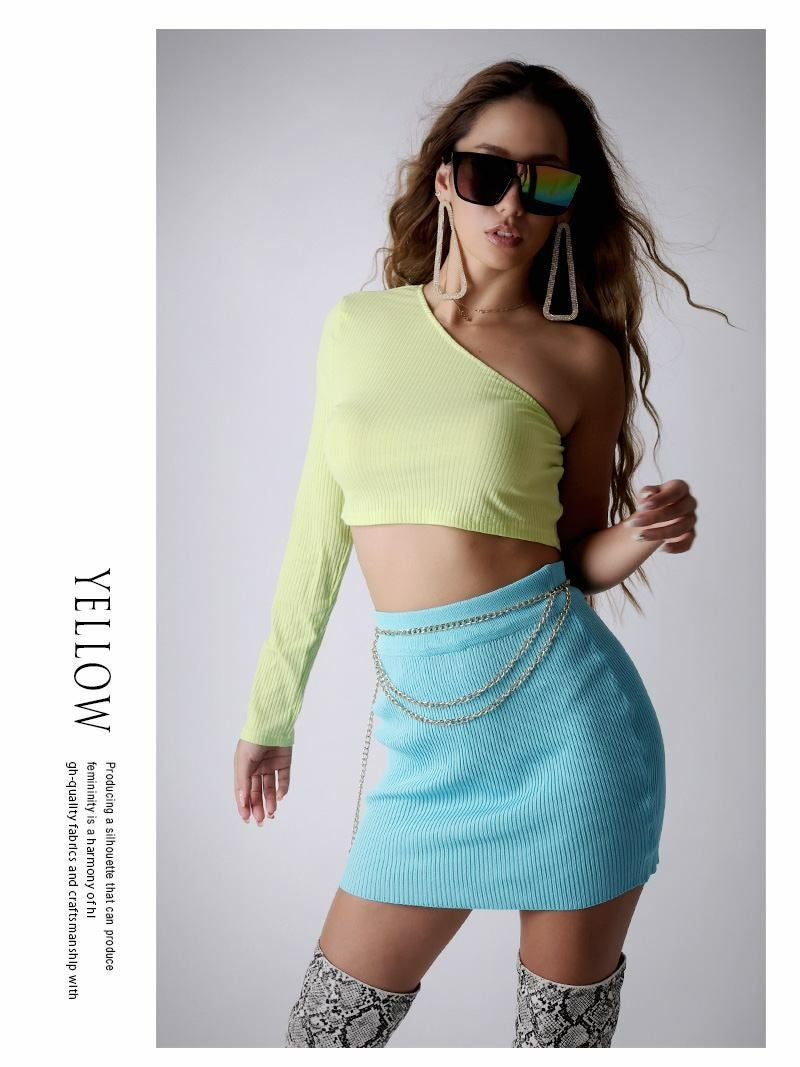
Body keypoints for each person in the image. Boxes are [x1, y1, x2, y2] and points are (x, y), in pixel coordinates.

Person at [233, 60, 717, 1048]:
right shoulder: (358, 328)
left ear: (569, 202)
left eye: (546, 181)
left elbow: (572, 555)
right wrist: (270, 713)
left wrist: (639, 532)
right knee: (322, 1036)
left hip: (570, 735)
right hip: (425, 744)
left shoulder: (582, 358)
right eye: (489, 172)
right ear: (446, 177)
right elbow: (317, 529)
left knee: (557, 1045)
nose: (512, 203)